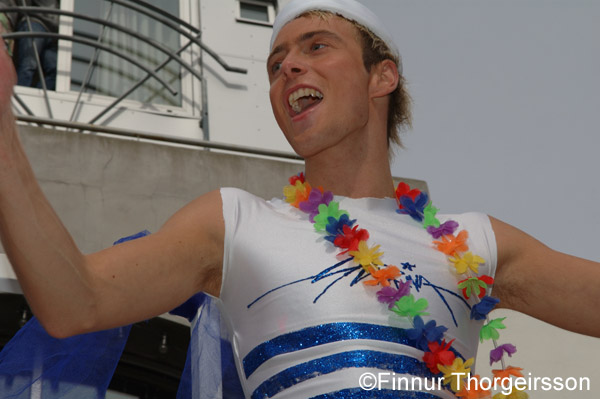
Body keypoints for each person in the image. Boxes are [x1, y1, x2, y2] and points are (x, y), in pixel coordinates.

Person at [0, 0, 598, 398]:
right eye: (275, 62)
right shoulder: (235, 222)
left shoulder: (474, 242)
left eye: (315, 47)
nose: (286, 68)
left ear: (381, 77)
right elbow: (75, 301)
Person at [13, 0, 59, 90]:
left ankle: (36, 99)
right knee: (29, 64)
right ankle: (21, 95)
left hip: (53, 33)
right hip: (36, 23)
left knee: (57, 72)